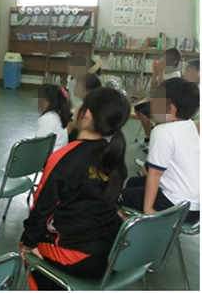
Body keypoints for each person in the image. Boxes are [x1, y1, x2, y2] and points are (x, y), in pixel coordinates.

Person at [20, 87, 130, 291]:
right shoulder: (115, 156)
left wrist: (28, 243)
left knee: (26, 245)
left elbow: (41, 208)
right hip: (114, 253)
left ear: (86, 114)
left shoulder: (64, 158)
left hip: (78, 256)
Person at [118, 78, 200, 224]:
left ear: (170, 108)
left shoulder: (162, 131)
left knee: (117, 197)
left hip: (174, 206)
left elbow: (154, 174)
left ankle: (134, 230)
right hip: (195, 208)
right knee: (132, 182)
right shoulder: (189, 125)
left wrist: (148, 209)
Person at [134, 48, 181, 151]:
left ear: (175, 61)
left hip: (167, 104)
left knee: (143, 113)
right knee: (137, 108)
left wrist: (160, 73)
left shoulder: (176, 75)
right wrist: (155, 73)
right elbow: (152, 88)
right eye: (163, 58)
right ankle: (149, 134)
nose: (163, 60)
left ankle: (150, 137)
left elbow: (164, 89)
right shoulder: (162, 71)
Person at [67, 73, 102, 141]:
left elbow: (70, 128)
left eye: (76, 85)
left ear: (86, 90)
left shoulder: (85, 107)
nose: (74, 88)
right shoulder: (93, 104)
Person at [36, 84, 70, 152]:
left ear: (47, 102)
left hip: (52, 158)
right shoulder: (57, 115)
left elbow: (40, 147)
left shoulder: (47, 119)